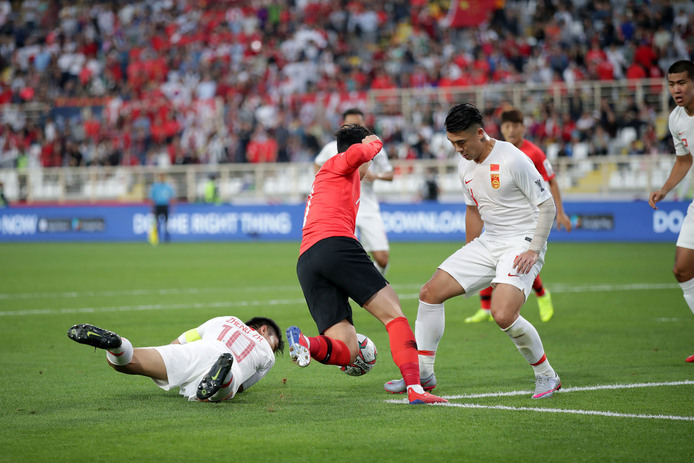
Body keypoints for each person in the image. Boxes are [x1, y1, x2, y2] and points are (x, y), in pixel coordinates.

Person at [384, 103, 561, 399]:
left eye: (462, 142)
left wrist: (534, 249)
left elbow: (547, 206)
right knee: (429, 293)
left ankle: (547, 375)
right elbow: (473, 209)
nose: (458, 150)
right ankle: (424, 373)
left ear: (480, 133)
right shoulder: (463, 163)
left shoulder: (513, 160)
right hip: (489, 242)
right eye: (452, 143)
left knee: (503, 314)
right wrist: (469, 252)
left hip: (521, 243)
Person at [288, 123, 447, 405]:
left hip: (307, 260)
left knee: (347, 349)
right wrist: (375, 144)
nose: (368, 166)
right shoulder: (339, 163)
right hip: (335, 244)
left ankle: (305, 343)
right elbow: (355, 154)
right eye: (368, 161)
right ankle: (415, 389)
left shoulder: (332, 179)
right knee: (394, 314)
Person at [466, 107, 572, 324]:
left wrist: (560, 212)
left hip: (527, 218)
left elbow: (551, 181)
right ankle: (485, 309)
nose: (511, 130)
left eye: (515, 126)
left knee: (519, 262)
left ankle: (542, 296)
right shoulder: (493, 151)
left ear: (523, 128)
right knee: (491, 258)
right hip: (501, 217)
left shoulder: (534, 153)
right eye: (506, 126)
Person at [67, 316, 284, 402]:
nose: (271, 349)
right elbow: (245, 385)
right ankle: (223, 377)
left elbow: (183, 339)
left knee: (128, 363)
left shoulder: (226, 319)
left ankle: (118, 344)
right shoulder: (268, 357)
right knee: (225, 391)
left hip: (199, 349)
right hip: (232, 363)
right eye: (273, 344)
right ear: (263, 329)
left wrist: (167, 358)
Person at [649, 59, 694, 363]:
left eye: (682, 83)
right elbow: (684, 159)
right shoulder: (677, 119)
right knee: (682, 268)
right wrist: (665, 189)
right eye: (671, 84)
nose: (676, 89)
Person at [314, 108, 394, 275]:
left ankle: (372, 284)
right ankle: (363, 289)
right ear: (343, 125)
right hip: (342, 208)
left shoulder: (373, 148)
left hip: (368, 207)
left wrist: (377, 175)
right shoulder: (331, 148)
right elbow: (317, 163)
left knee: (382, 258)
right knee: (345, 256)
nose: (355, 126)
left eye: (358, 123)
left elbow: (390, 174)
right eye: (351, 123)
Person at [149, 173, 175, 243]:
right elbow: (152, 199)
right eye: (160, 177)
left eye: (163, 177)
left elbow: (171, 198)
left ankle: (167, 238)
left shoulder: (168, 186)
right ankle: (157, 238)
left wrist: (172, 208)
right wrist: (152, 208)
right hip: (158, 206)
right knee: (157, 223)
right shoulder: (155, 187)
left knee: (166, 223)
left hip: (165, 206)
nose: (161, 178)